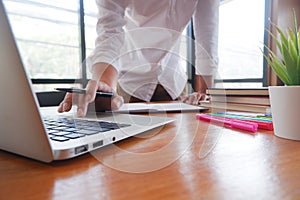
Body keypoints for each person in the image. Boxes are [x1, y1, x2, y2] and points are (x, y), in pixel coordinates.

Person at [58, 0, 219, 117]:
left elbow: (207, 36)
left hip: (174, 85)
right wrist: (105, 86)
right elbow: (109, 34)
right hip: (129, 85)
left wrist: (204, 95)